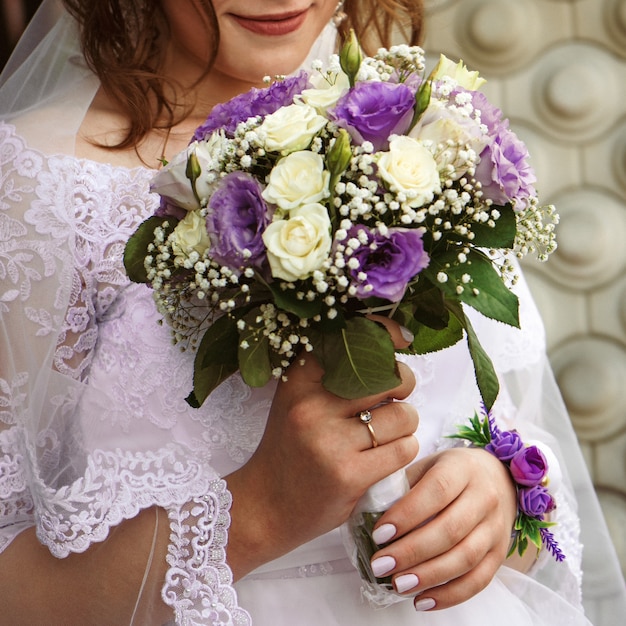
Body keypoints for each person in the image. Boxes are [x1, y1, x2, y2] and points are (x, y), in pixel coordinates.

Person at [0, 0, 623, 624]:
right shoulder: (36, 189)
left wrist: (494, 505)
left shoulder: (423, 139)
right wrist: (262, 510)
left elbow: (532, 468)